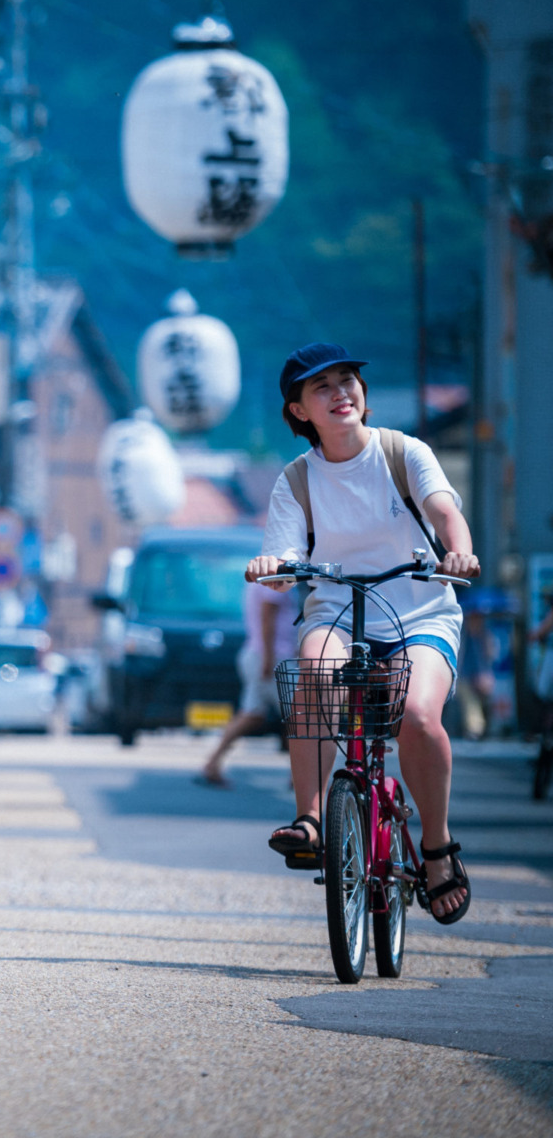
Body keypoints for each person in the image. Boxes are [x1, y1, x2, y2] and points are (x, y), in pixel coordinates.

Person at [245, 343, 479, 925]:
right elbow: (283, 552)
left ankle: (437, 845)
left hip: (421, 613)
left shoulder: (404, 453)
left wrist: (460, 553)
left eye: (347, 380)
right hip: (339, 613)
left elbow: (446, 511)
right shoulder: (296, 481)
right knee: (314, 670)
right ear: (299, 411)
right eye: (321, 387)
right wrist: (272, 568)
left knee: (419, 718)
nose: (340, 393)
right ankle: (311, 816)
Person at [198, 578, 296, 787]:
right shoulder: (275, 575)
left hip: (264, 654)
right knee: (297, 717)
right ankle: (301, 775)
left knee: (254, 714)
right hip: (274, 656)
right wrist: (268, 658)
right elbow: (267, 614)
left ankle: (212, 762)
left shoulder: (263, 574)